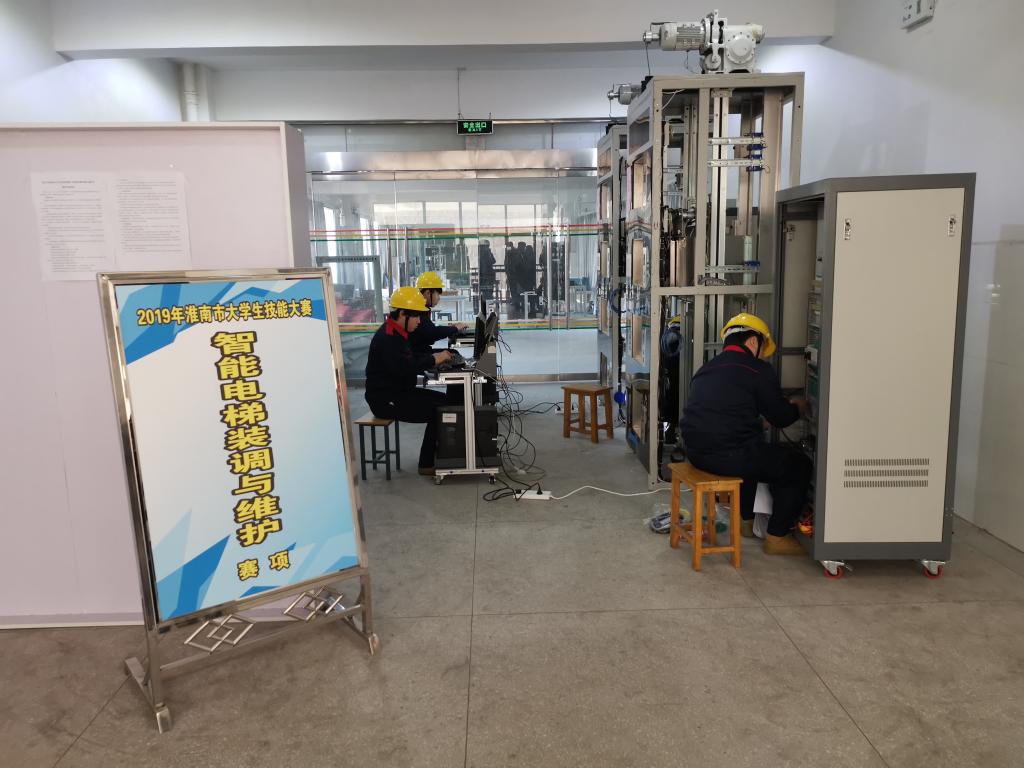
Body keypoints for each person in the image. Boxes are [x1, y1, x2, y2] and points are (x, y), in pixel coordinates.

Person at [679, 313, 811, 555]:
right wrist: (799, 407)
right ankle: (777, 536)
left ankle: (745, 521)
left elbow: (719, 415)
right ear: (752, 341)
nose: (762, 356)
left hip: (695, 453)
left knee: (751, 451)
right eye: (762, 349)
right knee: (797, 465)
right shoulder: (758, 369)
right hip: (729, 457)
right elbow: (781, 417)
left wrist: (757, 424)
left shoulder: (706, 369)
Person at [365, 287, 452, 476]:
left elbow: (410, 357)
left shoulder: (396, 332)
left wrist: (434, 357)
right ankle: (426, 463)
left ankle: (441, 452)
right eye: (416, 316)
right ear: (403, 314)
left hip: (400, 391)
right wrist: (433, 359)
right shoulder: (388, 338)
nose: (419, 321)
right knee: (440, 410)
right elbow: (406, 366)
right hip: (385, 400)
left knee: (448, 402)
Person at [409, 271, 466, 358]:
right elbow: (432, 333)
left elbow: (429, 331)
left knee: (453, 352)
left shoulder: (422, 308)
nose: (439, 298)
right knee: (453, 354)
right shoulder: (418, 310)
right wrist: (455, 328)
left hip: (421, 350)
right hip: (416, 354)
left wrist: (451, 328)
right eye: (437, 294)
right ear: (428, 293)